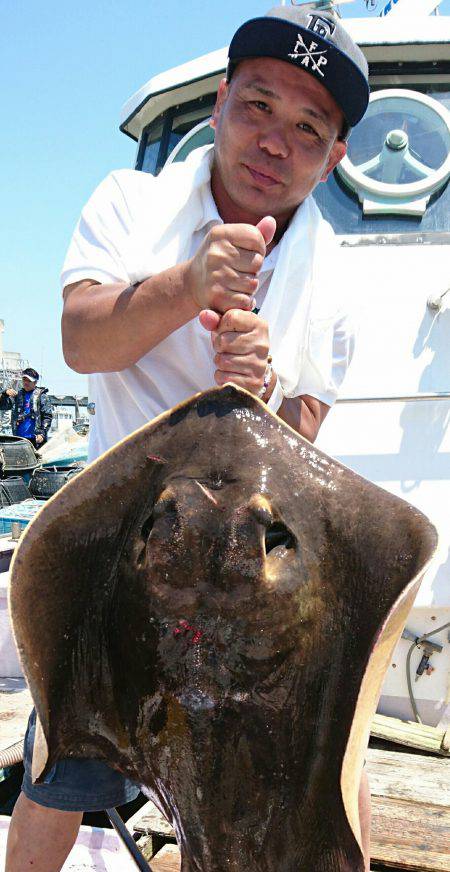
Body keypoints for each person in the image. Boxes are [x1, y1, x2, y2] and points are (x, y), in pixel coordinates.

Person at [6, 6, 372, 871]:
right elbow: (82, 339)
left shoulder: (339, 283)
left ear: (336, 156)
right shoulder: (131, 203)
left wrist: (263, 390)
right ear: (218, 105)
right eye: (258, 106)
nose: (275, 140)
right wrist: (188, 283)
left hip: (257, 591)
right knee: (60, 765)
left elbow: (303, 445)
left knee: (337, 771)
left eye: (308, 127)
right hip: (124, 562)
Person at [0, 368, 52, 449]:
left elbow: (47, 416)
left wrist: (42, 433)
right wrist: (5, 394)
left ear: (35, 382)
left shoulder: (42, 396)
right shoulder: (17, 395)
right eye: (24, 379)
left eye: (29, 380)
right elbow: (3, 406)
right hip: (18, 439)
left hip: (35, 440)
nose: (26, 382)